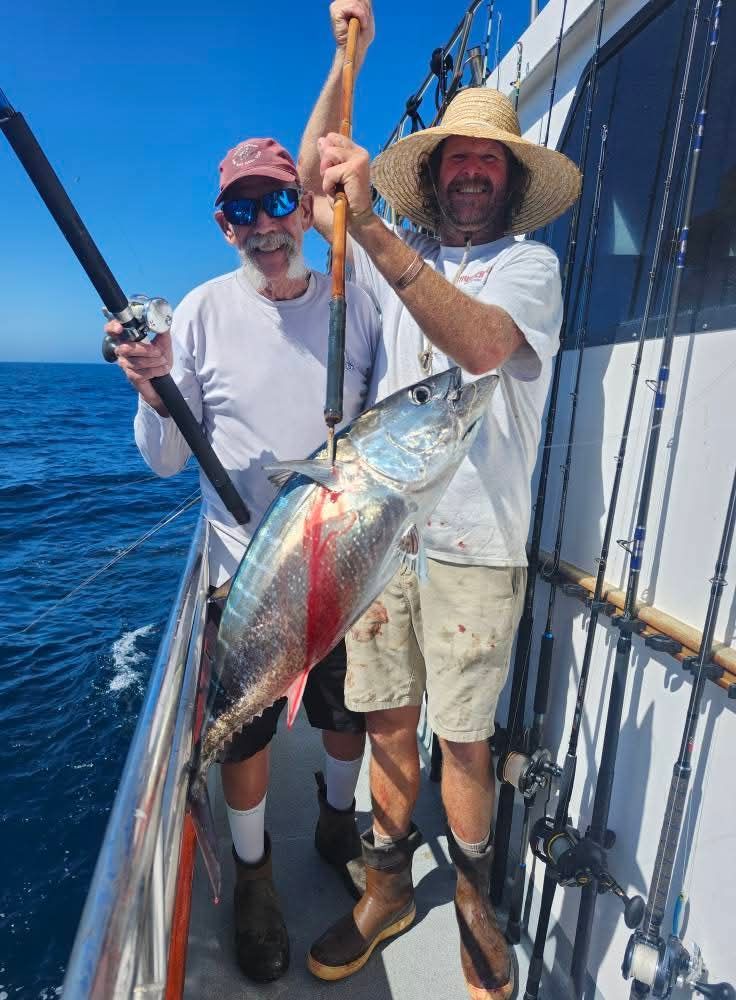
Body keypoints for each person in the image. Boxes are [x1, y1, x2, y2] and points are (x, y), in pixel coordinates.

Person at [298, 3, 581, 997]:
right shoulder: (382, 265)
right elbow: (315, 180)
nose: (470, 173)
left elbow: (483, 347)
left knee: (462, 738)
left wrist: (374, 226)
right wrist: (351, 58)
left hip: (474, 547)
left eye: (488, 162)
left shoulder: (529, 268)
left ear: (508, 182)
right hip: (384, 537)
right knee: (384, 722)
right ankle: (384, 887)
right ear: (435, 173)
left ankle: (467, 897)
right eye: (457, 158)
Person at [106, 136, 381, 984]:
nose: (262, 226)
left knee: (347, 714)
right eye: (240, 211)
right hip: (247, 568)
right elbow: (162, 457)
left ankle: (339, 825)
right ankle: (256, 875)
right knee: (249, 733)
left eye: (274, 204)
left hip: (349, 560)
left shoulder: (354, 298)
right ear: (223, 226)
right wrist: (154, 392)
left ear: (302, 208)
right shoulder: (199, 313)